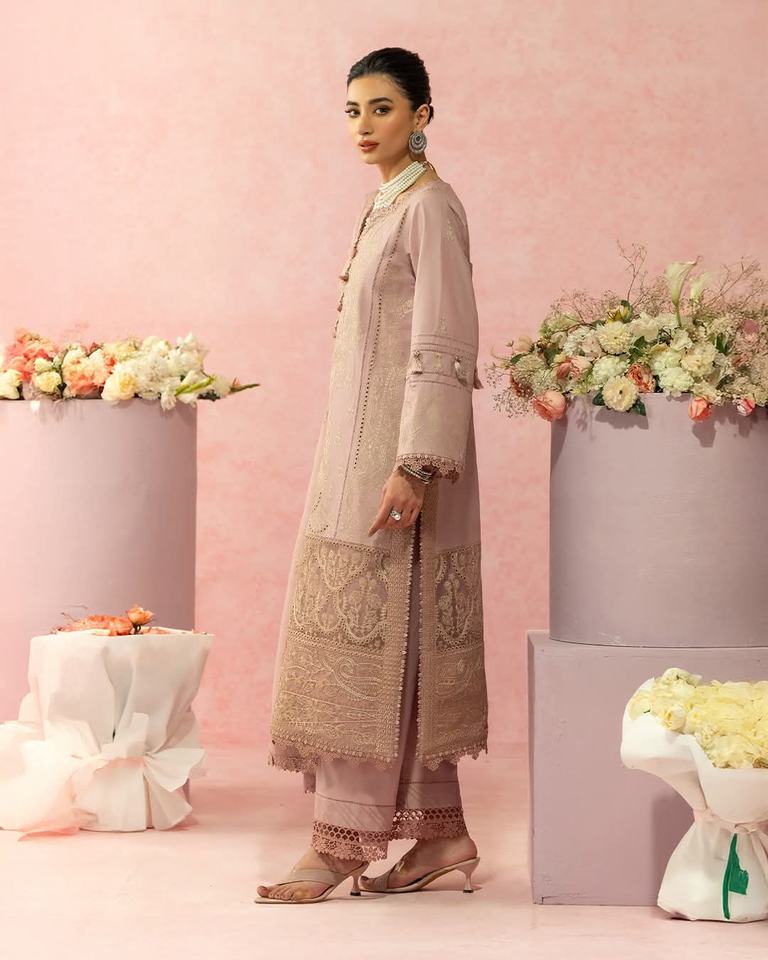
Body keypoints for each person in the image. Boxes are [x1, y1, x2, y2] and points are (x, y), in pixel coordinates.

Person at [256, 47, 488, 904]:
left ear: (422, 116)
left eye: (382, 108)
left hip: (400, 463)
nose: (363, 125)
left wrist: (415, 464)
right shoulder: (386, 203)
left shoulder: (430, 207)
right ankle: (442, 837)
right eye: (353, 110)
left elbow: (444, 341)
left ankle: (340, 845)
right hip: (355, 459)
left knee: (377, 643)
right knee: (397, 639)